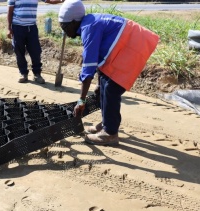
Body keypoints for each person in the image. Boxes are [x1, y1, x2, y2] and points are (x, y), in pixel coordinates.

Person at [58, 0, 159, 146]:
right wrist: (99, 83)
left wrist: (81, 101)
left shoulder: (89, 27)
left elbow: (89, 67)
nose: (65, 31)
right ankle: (107, 124)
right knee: (104, 86)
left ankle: (110, 134)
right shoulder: (89, 22)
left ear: (74, 22)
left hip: (134, 45)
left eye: (65, 26)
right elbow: (101, 58)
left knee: (111, 88)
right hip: (126, 45)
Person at [7, 0, 64, 84]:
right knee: (19, 51)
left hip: (32, 28)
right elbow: (10, 11)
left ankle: (37, 74)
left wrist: (62, 0)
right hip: (17, 27)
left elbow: (49, 1)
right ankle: (23, 73)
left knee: (35, 51)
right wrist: (9, 28)